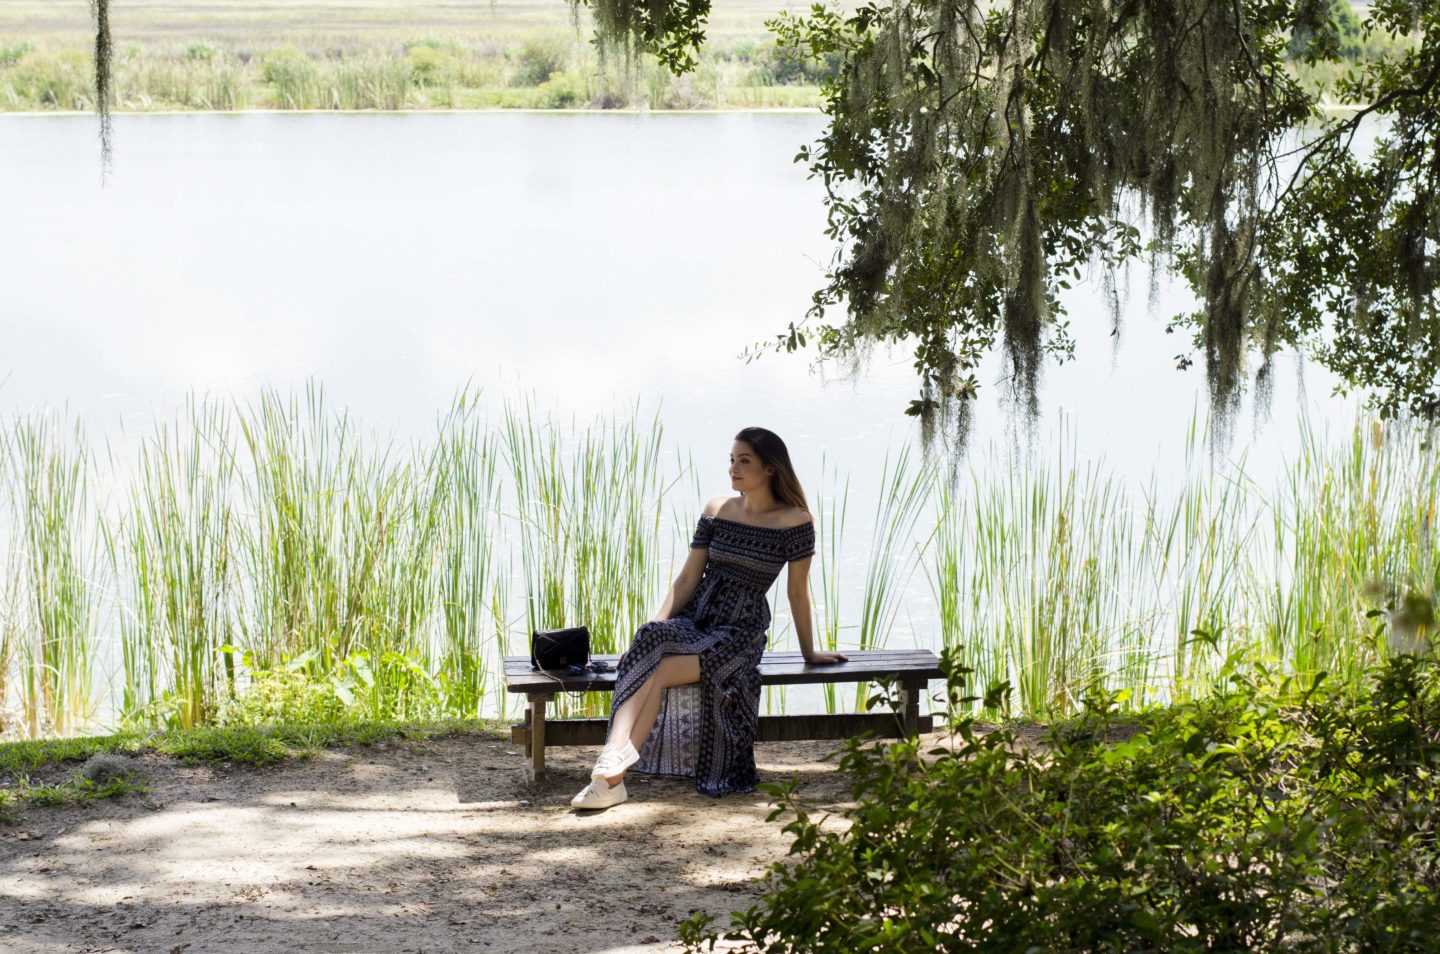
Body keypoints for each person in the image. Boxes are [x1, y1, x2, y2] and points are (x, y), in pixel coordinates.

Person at [571, 427, 849, 809]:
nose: (734, 468)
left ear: (770, 468)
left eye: (744, 461)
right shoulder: (717, 509)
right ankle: (613, 759)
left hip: (738, 633)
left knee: (659, 671)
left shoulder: (794, 522)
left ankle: (611, 781)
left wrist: (810, 652)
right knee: (650, 642)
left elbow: (797, 593)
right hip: (696, 621)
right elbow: (687, 579)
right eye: (732, 460)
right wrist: (649, 633)